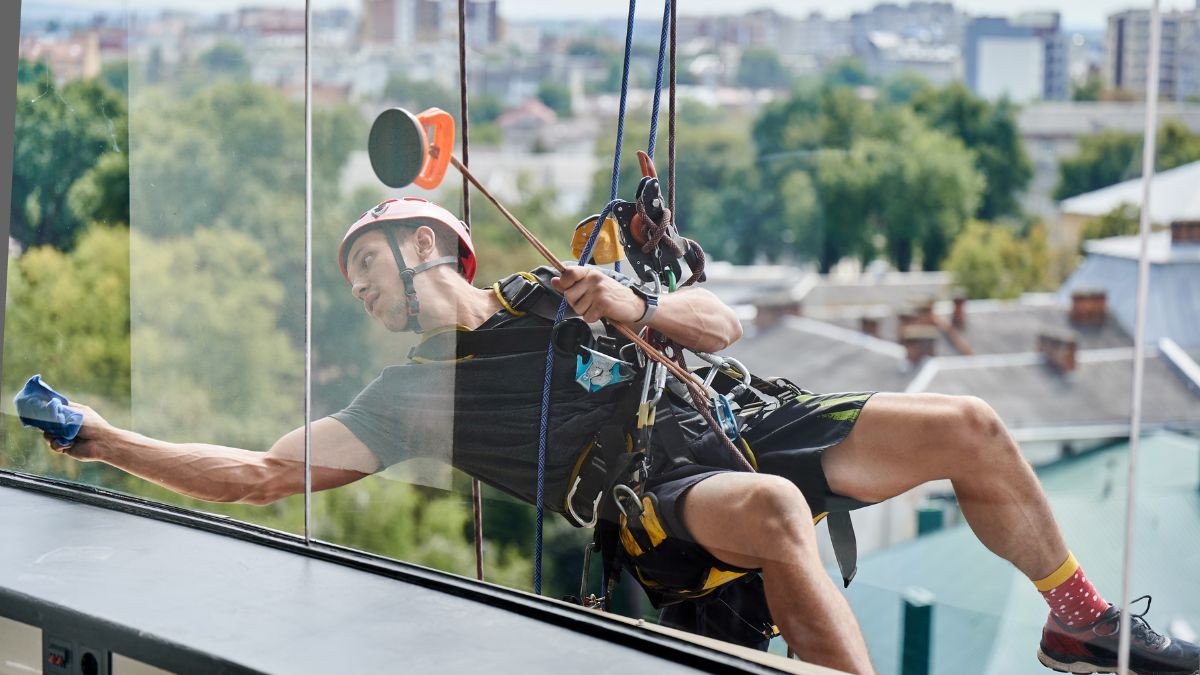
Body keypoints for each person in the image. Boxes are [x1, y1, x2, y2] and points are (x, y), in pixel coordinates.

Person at [44, 197, 1199, 675]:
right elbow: (259, 474)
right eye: (353, 282)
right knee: (777, 515)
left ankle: (1076, 621)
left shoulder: (561, 288)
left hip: (744, 416)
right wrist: (105, 438)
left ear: (430, 247)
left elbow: (720, 323)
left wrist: (631, 299)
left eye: (367, 267)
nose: (362, 291)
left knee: (972, 428)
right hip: (653, 501)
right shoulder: (410, 397)